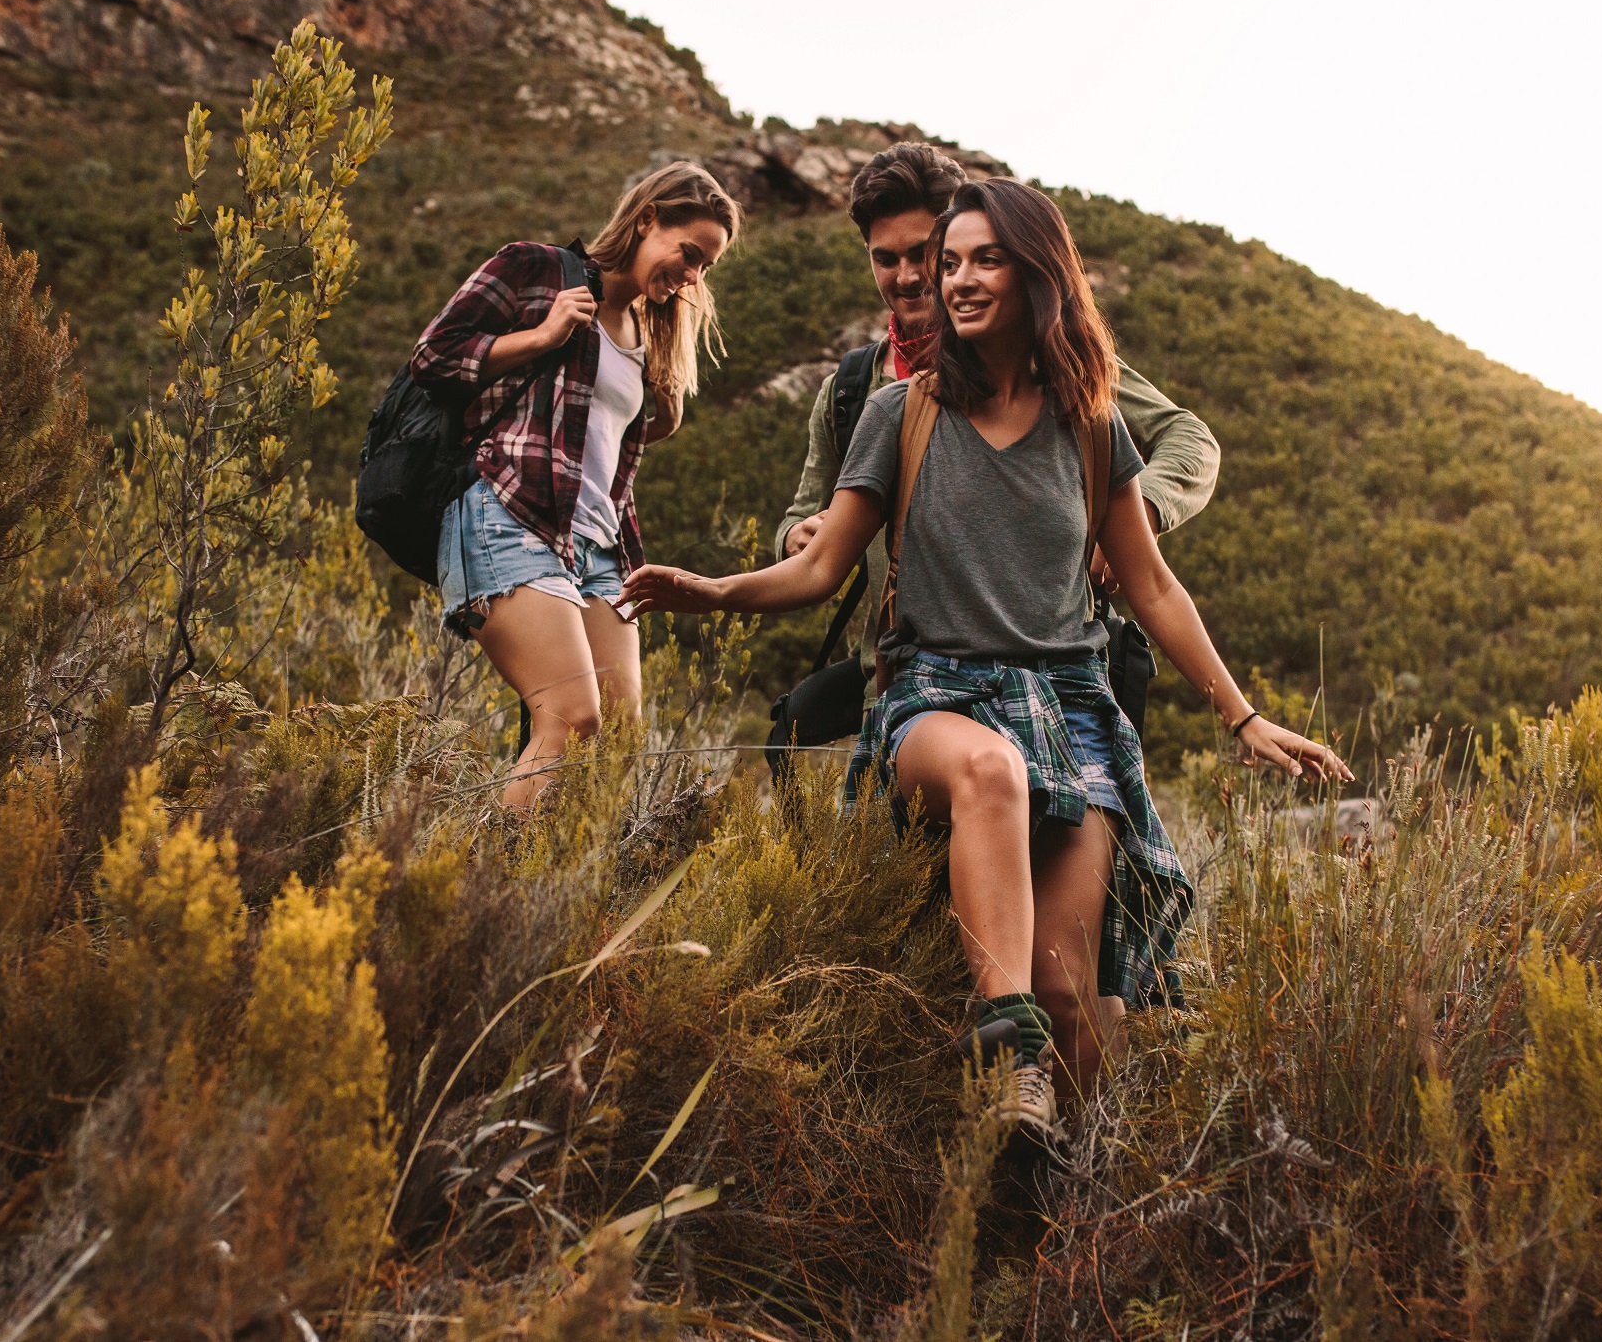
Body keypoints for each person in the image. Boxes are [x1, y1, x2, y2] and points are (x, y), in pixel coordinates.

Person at [621, 179, 1350, 1133]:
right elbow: (820, 567)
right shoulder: (899, 413)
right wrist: (716, 591)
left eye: (983, 259)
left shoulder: (1090, 422)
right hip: (937, 698)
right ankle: (1004, 1052)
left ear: (1038, 272)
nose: (955, 280)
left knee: (1078, 1003)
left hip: (1073, 712)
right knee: (990, 769)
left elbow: (1154, 586)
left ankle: (1062, 1216)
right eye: (947, 261)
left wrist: (1243, 715)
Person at [775, 143, 1222, 675]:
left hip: (1050, 681)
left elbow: (1190, 438)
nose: (909, 276)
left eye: (923, 253)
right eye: (885, 258)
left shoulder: (1052, 364)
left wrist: (1130, 516)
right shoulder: (852, 390)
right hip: (901, 686)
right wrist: (796, 539)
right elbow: (800, 518)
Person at [409, 162, 740, 808]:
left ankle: (562, 891)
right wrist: (540, 335)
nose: (695, 276)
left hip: (596, 546)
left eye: (708, 267)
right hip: (507, 514)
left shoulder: (647, 328)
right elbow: (434, 356)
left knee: (617, 738)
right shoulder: (536, 268)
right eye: (691, 253)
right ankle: (497, 895)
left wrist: (659, 396)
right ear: (647, 219)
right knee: (570, 714)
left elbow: (602, 439)